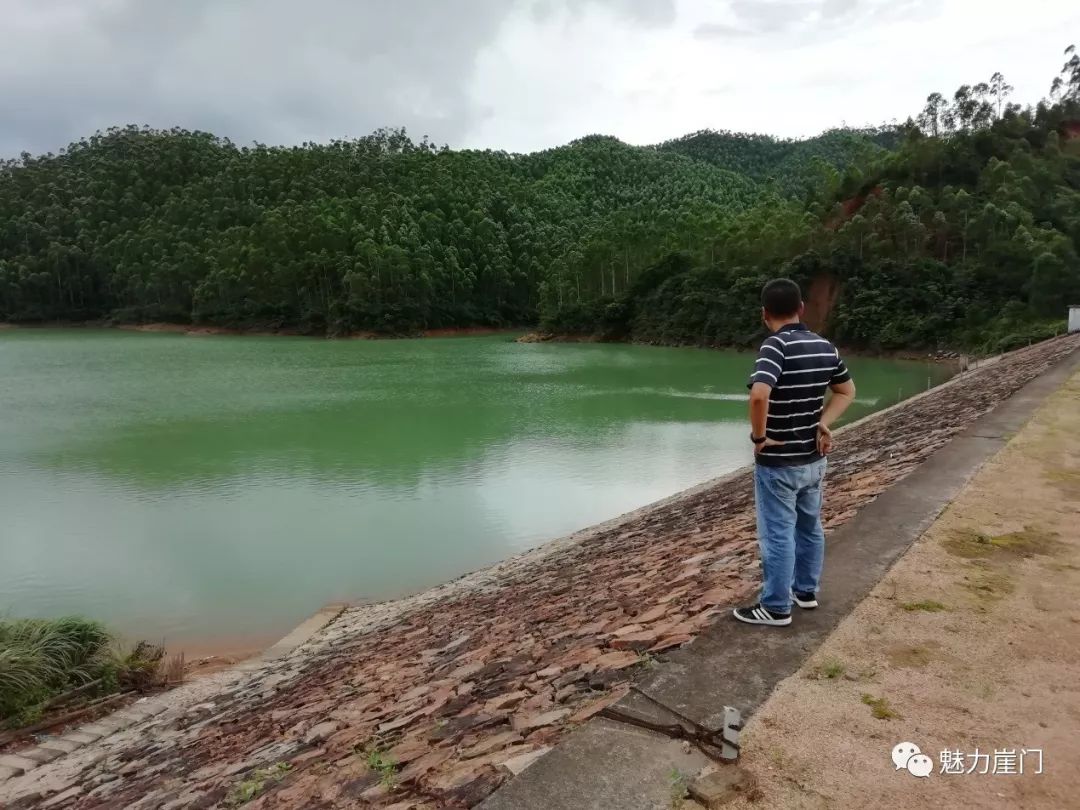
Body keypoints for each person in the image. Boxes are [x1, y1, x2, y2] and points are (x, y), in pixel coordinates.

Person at [733, 278, 856, 627]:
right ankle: (806, 591)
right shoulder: (824, 346)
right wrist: (823, 422)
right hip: (814, 459)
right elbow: (847, 391)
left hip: (779, 463)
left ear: (764, 314)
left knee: (777, 533)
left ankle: (775, 607)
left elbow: (759, 395)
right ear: (801, 308)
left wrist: (759, 438)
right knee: (809, 527)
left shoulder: (775, 347)